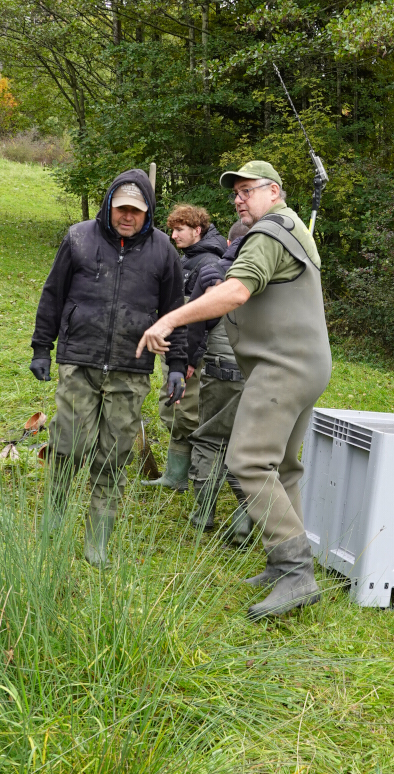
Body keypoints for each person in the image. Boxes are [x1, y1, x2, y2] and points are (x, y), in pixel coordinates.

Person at [136, 160, 332, 619]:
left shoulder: (269, 233)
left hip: (282, 365)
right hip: (306, 363)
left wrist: (169, 319)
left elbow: (236, 292)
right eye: (236, 193)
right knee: (283, 467)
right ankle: (283, 567)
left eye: (248, 190)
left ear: (274, 191)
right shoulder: (290, 227)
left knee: (247, 461)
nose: (239, 200)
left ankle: (297, 574)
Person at [30, 169, 189, 565]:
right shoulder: (78, 238)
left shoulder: (164, 250)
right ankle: (53, 521)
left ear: (148, 211)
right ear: (109, 206)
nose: (127, 216)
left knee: (113, 455)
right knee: (68, 445)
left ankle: (97, 542)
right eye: (121, 208)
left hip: (131, 368)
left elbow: (175, 311)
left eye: (136, 210)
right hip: (79, 361)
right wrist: (41, 348)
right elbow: (53, 294)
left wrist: (176, 364)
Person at [147, 204, 227, 491]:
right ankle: (175, 475)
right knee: (175, 408)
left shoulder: (208, 262)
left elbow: (208, 316)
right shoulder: (190, 257)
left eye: (180, 229)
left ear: (198, 230)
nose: (173, 236)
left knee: (186, 411)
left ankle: (197, 478)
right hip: (177, 348)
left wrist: (190, 358)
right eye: (172, 230)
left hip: (192, 353)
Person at [188, 220, 251, 540]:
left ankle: (203, 515)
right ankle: (244, 520)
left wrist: (187, 361)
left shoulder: (215, 271)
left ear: (229, 243)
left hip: (219, 371)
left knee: (210, 440)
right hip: (259, 376)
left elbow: (195, 322)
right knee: (249, 447)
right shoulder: (274, 273)